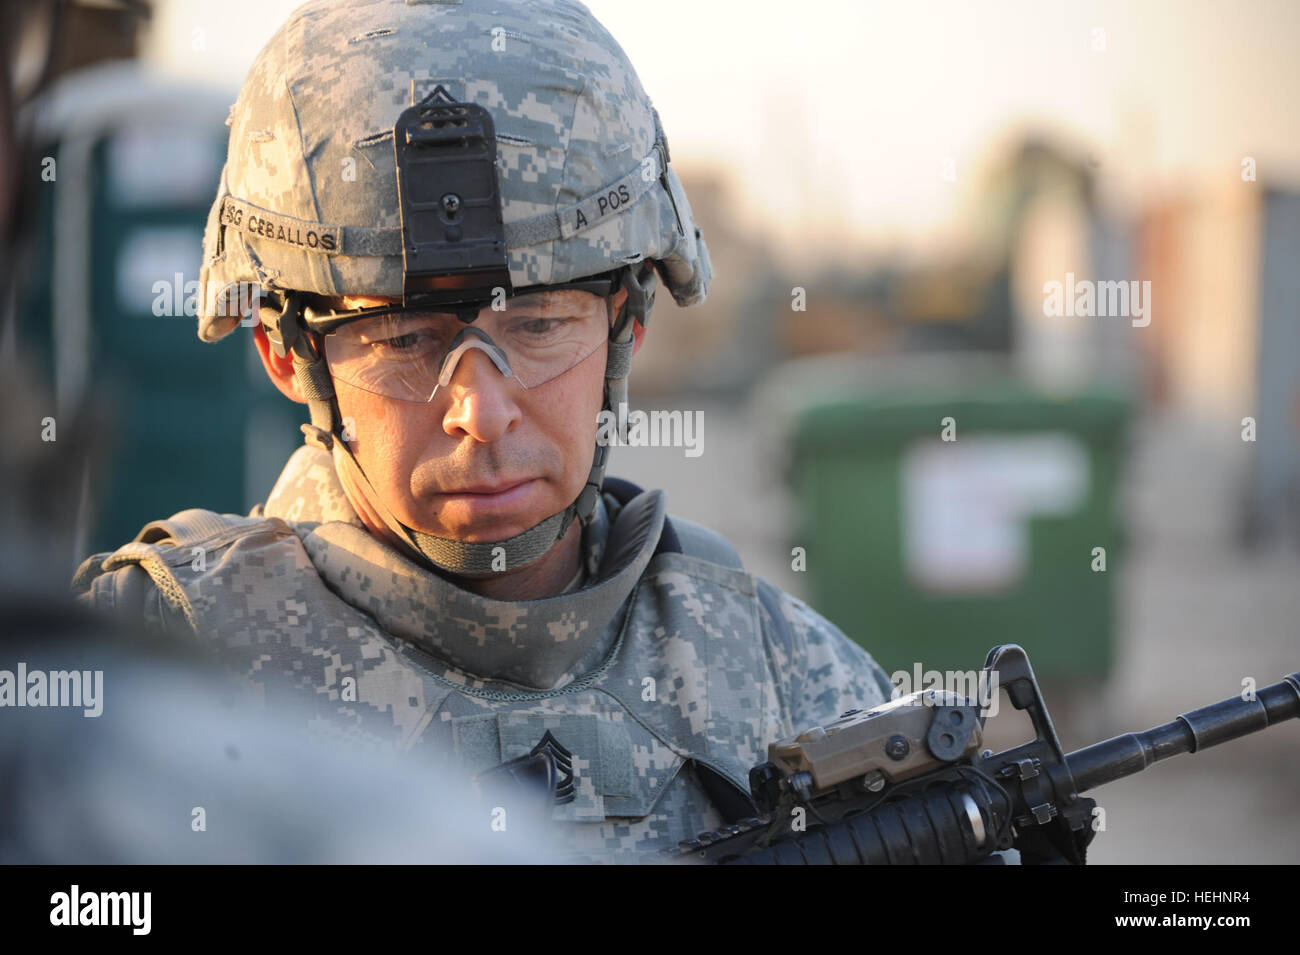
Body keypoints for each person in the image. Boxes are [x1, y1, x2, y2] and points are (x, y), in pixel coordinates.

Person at [72, 0, 894, 857]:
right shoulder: (143, 672)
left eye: (537, 326)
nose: (481, 410)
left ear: (627, 327)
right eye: (403, 339)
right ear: (287, 357)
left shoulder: (784, 677)